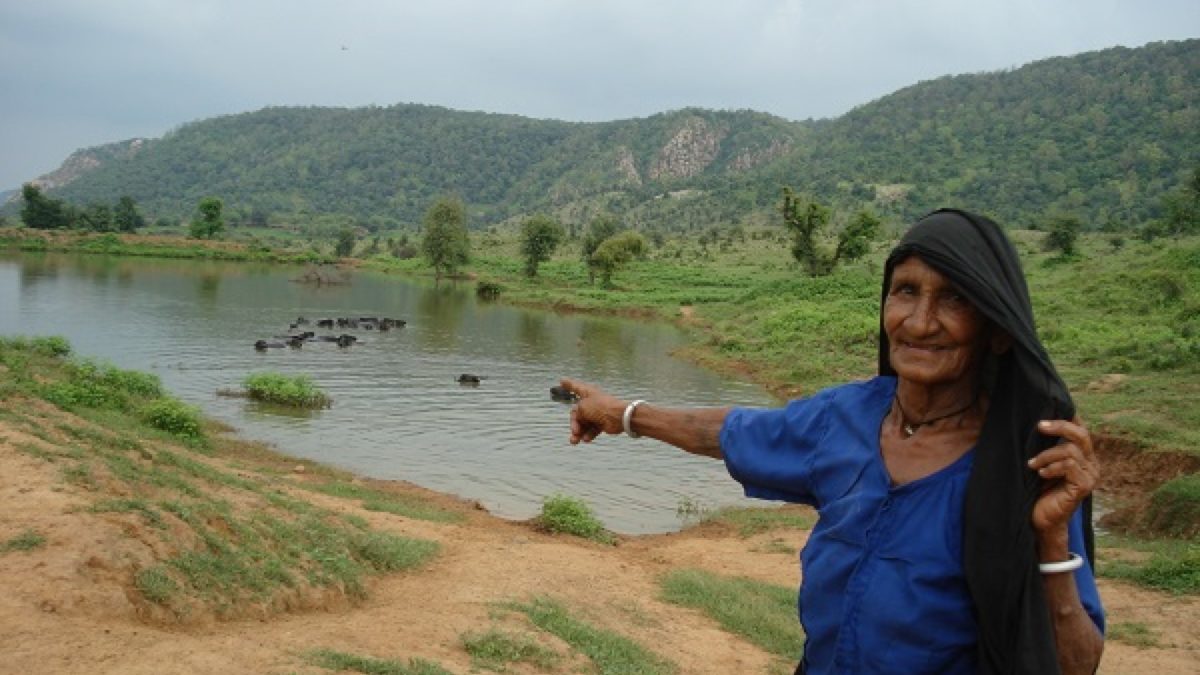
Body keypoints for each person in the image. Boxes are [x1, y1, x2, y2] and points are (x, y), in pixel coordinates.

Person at [560, 209, 1104, 675]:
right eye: (905, 292)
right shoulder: (844, 417)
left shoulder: (1024, 464)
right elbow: (728, 432)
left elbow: (1076, 664)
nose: (920, 322)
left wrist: (1051, 543)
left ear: (998, 328)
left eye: (954, 300)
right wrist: (621, 413)